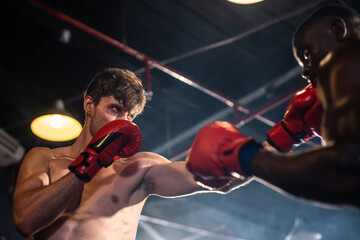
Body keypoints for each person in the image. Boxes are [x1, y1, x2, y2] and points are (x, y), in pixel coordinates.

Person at [12, 68, 240, 240]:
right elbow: (25, 222)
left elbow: (215, 179)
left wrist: (260, 154)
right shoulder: (45, 159)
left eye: (130, 116)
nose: (123, 122)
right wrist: (89, 163)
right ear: (89, 105)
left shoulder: (137, 169)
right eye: (115, 110)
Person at [186, 4, 360, 208]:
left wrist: (247, 157)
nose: (304, 72)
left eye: (306, 54)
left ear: (338, 29)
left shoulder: (347, 62)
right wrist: (285, 136)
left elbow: (347, 173)